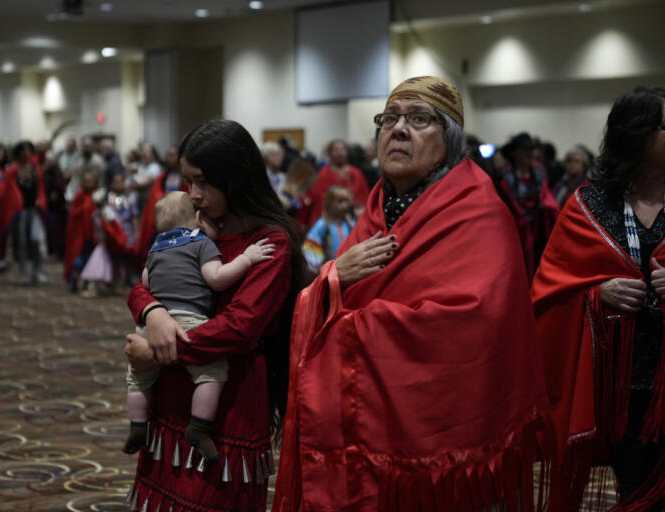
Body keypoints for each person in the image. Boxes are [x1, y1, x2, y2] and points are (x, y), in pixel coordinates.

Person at [273, 76, 552, 512]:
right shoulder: (376, 210)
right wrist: (332, 278)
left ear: (451, 141)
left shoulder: (478, 211)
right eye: (389, 119)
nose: (398, 130)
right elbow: (330, 287)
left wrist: (344, 320)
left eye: (419, 119)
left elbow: (472, 322)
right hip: (365, 440)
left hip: (444, 453)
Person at [122, 119, 304, 511]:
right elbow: (144, 282)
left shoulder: (270, 242)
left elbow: (239, 328)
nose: (194, 194)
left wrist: (158, 352)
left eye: (203, 182)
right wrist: (152, 311)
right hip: (174, 393)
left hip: (228, 401)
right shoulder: (197, 228)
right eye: (188, 182)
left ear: (235, 178)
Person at [532, 86, 665, 511]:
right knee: (634, 488)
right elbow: (547, 292)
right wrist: (596, 293)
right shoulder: (588, 204)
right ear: (639, 134)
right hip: (617, 388)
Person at [124, 190, 275, 457]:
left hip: (151, 326)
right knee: (211, 374)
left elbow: (145, 284)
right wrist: (247, 258)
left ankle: (137, 425)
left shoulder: (156, 248)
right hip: (188, 321)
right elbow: (216, 278)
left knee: (138, 378)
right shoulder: (200, 243)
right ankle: (199, 427)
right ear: (197, 217)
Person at [501, 132, 560, 279]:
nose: (526, 155)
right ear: (514, 154)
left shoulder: (539, 173)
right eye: (522, 151)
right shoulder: (506, 177)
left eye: (529, 151)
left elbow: (548, 199)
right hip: (516, 232)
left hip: (539, 230)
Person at [0, 141, 47, 284]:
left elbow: (41, 189)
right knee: (22, 242)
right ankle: (23, 272)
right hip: (19, 211)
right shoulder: (12, 171)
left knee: (36, 241)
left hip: (34, 209)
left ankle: (37, 271)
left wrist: (41, 201)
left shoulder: (36, 169)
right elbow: (7, 192)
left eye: (28, 150)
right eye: (23, 150)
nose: (26, 153)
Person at [298, 139, 371, 230]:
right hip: (329, 223)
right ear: (330, 154)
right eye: (336, 150)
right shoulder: (323, 174)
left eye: (342, 149)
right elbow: (318, 201)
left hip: (353, 220)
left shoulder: (356, 173)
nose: (340, 153)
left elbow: (363, 199)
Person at [302, 185, 355, 272]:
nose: (344, 206)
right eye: (340, 201)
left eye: (346, 201)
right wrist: (320, 269)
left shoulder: (351, 225)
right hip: (330, 272)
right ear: (329, 203)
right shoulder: (322, 225)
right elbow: (310, 250)